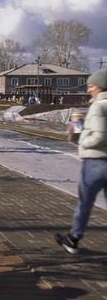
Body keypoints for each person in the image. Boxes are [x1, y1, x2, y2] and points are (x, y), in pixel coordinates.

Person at [55, 68, 107, 254]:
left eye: (91, 86)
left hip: (95, 163)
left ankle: (73, 239)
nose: (88, 90)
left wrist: (82, 140)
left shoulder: (99, 106)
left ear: (100, 87)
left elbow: (101, 135)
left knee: (85, 202)